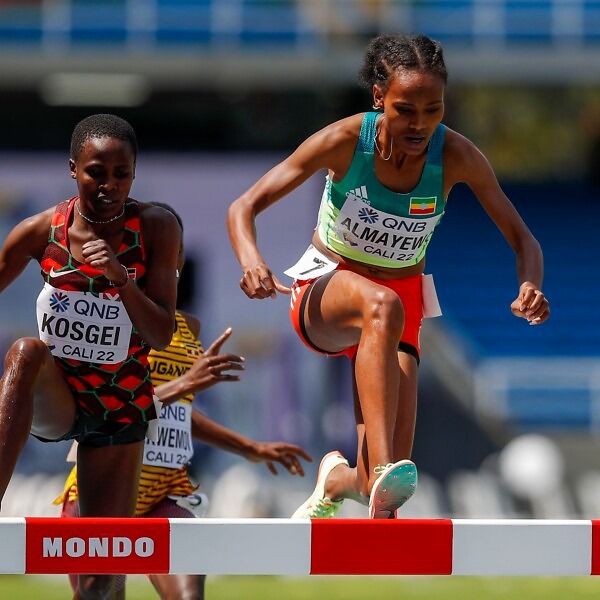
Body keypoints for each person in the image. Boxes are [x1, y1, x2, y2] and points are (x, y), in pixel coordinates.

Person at [227, 33, 551, 520]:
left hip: (400, 310)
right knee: (383, 308)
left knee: (385, 484)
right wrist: (251, 259)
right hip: (326, 290)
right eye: (405, 109)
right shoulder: (343, 141)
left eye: (433, 109)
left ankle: (343, 478)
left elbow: (524, 240)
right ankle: (381, 468)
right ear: (379, 98)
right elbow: (243, 206)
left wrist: (530, 284)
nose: (419, 123)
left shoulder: (457, 156)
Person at [57, 202, 313, 600]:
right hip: (102, 491)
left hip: (164, 493)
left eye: (172, 246)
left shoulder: (187, 326)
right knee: (99, 595)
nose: (164, 252)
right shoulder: (107, 315)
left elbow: (177, 416)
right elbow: (105, 408)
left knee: (189, 595)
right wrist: (185, 383)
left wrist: (250, 448)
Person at [0, 114, 181, 598]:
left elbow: (161, 333)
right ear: (73, 169)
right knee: (24, 351)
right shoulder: (41, 231)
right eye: (96, 172)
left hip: (120, 406)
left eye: (121, 174)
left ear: (135, 173)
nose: (109, 185)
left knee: (101, 580)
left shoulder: (157, 228)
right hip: (60, 396)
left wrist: (123, 279)